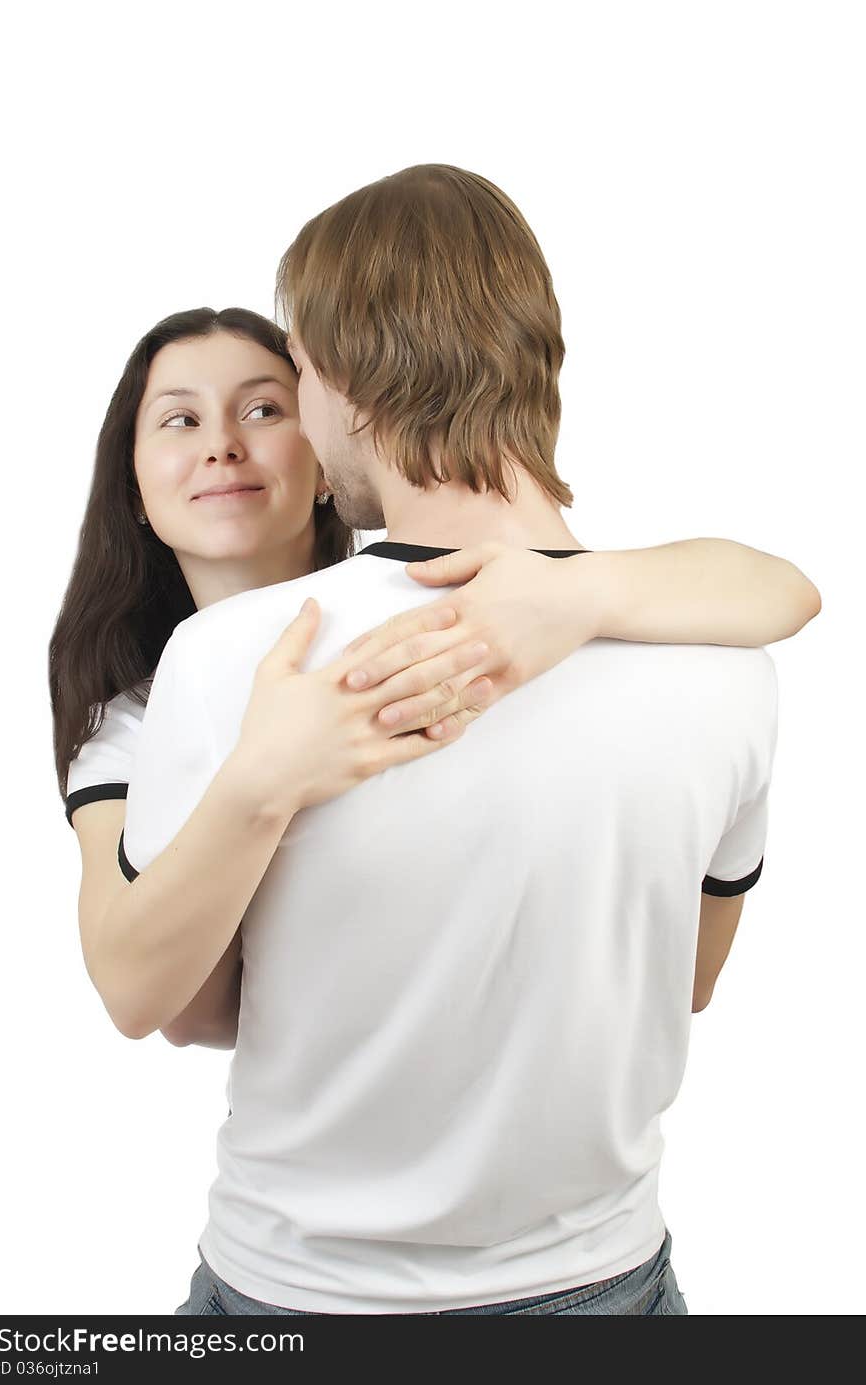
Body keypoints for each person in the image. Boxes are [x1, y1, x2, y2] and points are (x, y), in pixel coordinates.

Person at [111, 165, 820, 1315]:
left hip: (297, 1294)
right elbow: (684, 975)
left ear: (338, 380)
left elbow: (187, 1007)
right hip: (607, 1283)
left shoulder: (237, 656)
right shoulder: (729, 663)